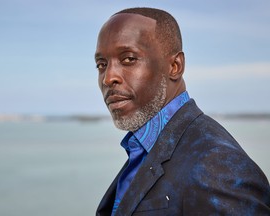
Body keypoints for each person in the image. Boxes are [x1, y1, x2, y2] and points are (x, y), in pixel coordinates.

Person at [94, 7, 270, 216]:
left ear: (175, 66)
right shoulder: (144, 149)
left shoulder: (215, 165)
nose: (108, 77)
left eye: (129, 59)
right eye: (101, 64)